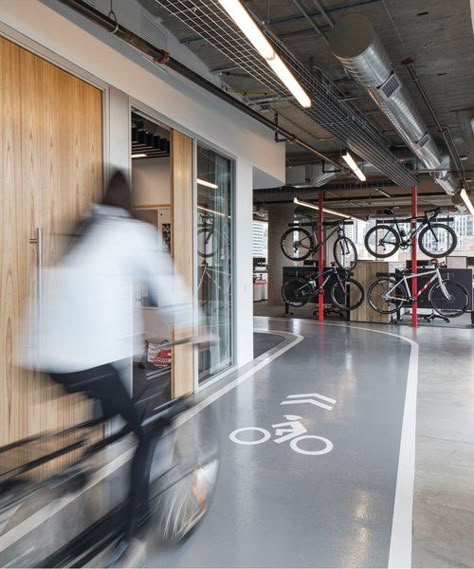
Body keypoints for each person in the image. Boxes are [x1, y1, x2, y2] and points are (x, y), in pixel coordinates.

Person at [24, 169, 198, 563]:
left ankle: (79, 468)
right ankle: (133, 536)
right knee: (148, 433)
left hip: (45, 355)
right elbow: (169, 289)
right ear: (129, 201)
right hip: (91, 359)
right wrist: (199, 328)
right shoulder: (134, 233)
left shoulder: (82, 228)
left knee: (101, 406)